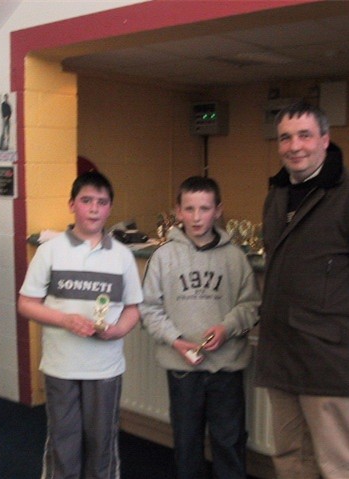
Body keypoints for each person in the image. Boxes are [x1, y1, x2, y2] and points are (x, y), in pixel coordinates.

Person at [254, 101, 349, 478]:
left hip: (326, 356)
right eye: (285, 138)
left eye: (305, 135)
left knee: (337, 462)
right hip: (281, 352)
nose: (295, 146)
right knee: (290, 455)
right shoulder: (277, 194)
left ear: (325, 139)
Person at [17, 171, 143, 479]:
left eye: (102, 202)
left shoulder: (123, 256)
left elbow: (132, 309)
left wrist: (117, 330)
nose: (94, 209)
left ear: (110, 208)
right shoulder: (50, 251)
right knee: (64, 442)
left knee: (102, 443)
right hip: (61, 366)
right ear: (72, 204)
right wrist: (65, 320)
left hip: (105, 368)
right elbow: (26, 304)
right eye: (86, 201)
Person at [140, 176, 260, 479]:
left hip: (227, 368)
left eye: (204, 209)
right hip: (183, 368)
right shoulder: (163, 257)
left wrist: (227, 328)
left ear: (217, 210)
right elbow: (149, 309)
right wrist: (176, 340)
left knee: (229, 441)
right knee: (187, 442)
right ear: (178, 211)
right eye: (189, 209)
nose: (196, 217)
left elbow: (251, 306)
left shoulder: (235, 258)